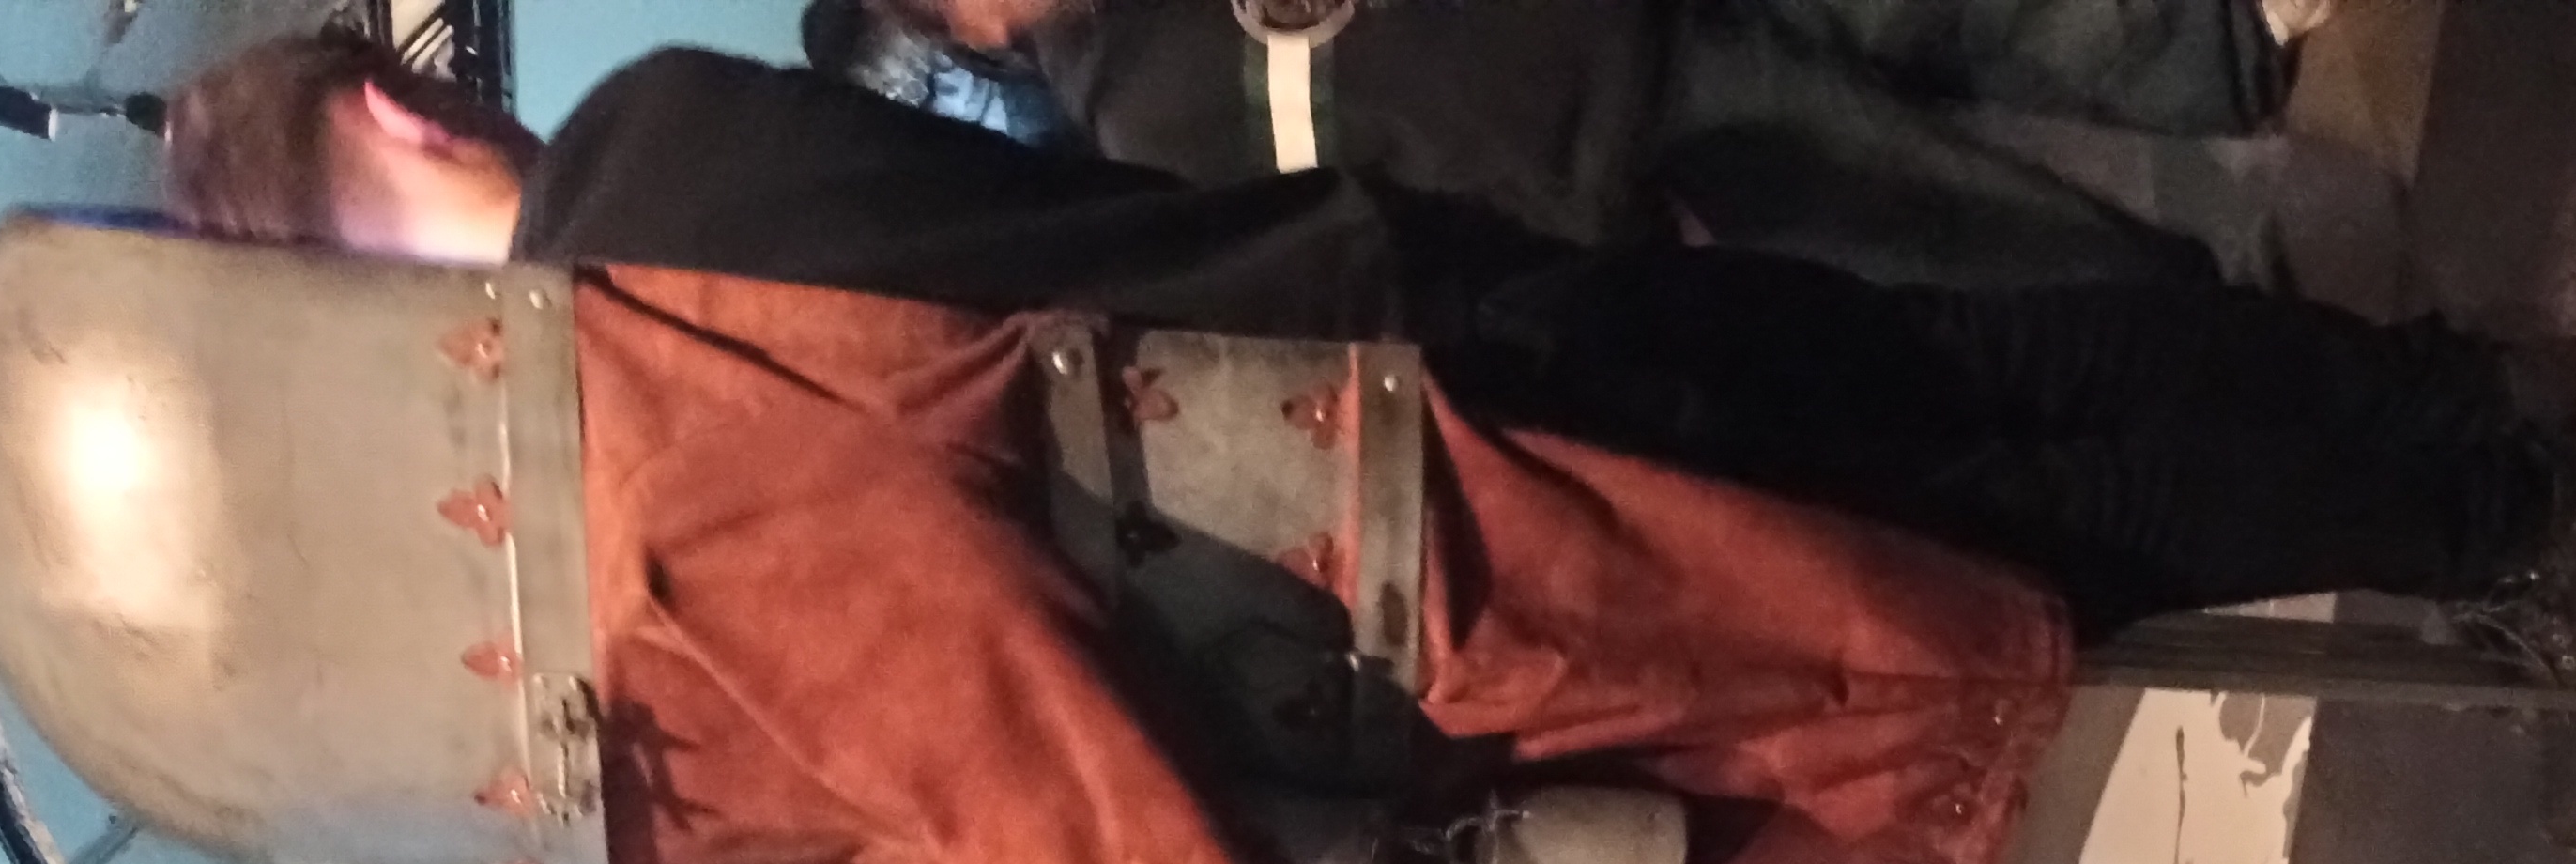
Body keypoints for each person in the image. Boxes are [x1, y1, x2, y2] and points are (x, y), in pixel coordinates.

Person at [155, 42, 2576, 864]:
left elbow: (897, 602)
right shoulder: (670, 126)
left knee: (2013, 556)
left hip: (1433, 481)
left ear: (377, 136)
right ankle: (2473, 413)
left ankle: (2521, 505)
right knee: (1974, 375)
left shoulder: (612, 318)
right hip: (1402, 319)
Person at [810, 0, 2262, 290]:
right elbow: (1381, 203)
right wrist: (1597, 236)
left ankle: (2224, 44)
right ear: (973, 34)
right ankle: (2218, 328)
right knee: (1950, 226)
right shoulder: (1145, 133)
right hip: (1636, 127)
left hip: (1640, 47)